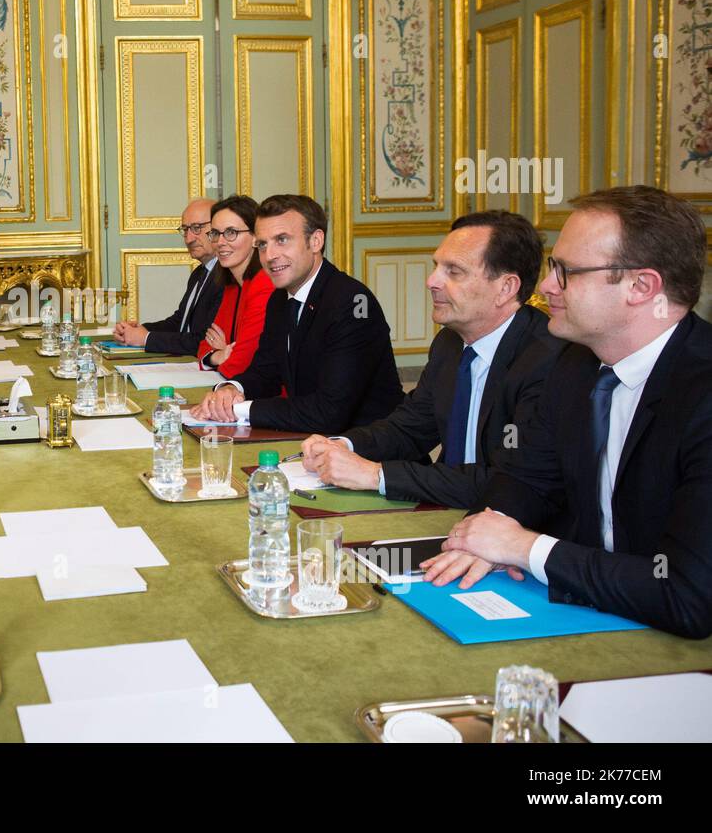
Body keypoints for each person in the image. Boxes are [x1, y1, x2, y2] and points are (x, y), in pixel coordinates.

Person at [423, 187, 712, 639]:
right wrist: (487, 535)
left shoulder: (701, 392)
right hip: (593, 616)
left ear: (642, 286)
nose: (545, 286)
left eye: (567, 271)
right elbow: (525, 477)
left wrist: (527, 548)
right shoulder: (575, 363)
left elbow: (686, 595)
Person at [299, 211, 563, 509]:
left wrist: (375, 475)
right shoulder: (449, 342)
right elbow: (410, 428)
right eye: (437, 266)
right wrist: (341, 446)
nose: (431, 281)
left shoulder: (548, 361)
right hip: (448, 510)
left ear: (506, 288)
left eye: (454, 271)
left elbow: (508, 481)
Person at [192, 194, 402, 433]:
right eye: (262, 244)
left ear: (315, 241)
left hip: (367, 450)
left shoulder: (352, 302)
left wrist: (238, 410)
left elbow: (329, 412)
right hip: (311, 440)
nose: (269, 255)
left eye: (282, 240)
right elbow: (266, 372)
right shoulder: (280, 299)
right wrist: (230, 389)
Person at [113, 198, 222, 356]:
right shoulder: (199, 273)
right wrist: (141, 330)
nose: (189, 238)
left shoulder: (226, 277)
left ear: (217, 228)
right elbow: (180, 322)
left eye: (197, 228)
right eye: (185, 229)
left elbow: (203, 341)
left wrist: (147, 338)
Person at [192, 195, 274, 378]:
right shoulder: (232, 286)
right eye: (215, 233)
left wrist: (225, 354)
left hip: (268, 397)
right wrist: (217, 356)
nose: (220, 242)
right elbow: (205, 346)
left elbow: (239, 365)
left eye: (231, 232)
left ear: (255, 237)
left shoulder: (264, 284)